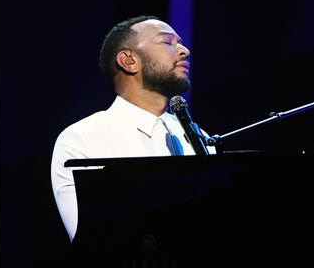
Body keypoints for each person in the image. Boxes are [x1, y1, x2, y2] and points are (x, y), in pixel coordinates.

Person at [51, 15, 217, 241]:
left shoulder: (199, 139)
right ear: (128, 60)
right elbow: (94, 242)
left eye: (180, 42)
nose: (184, 50)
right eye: (167, 42)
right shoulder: (82, 139)